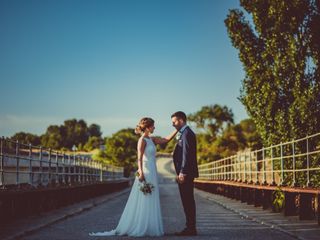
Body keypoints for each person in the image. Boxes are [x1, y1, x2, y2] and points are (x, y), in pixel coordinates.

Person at [89, 117, 177, 237]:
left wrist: (177, 129)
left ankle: (149, 226)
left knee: (151, 195)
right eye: (153, 126)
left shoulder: (152, 139)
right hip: (146, 171)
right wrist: (140, 172)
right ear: (147, 127)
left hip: (153, 171)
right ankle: (141, 225)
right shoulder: (142, 140)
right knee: (145, 196)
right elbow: (139, 157)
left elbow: (166, 140)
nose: (154, 128)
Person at [171, 111, 199, 236]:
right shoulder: (184, 133)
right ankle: (190, 227)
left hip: (186, 173)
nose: (173, 124)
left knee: (187, 200)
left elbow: (186, 155)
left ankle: (191, 228)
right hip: (185, 173)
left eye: (174, 122)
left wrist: (183, 172)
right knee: (187, 200)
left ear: (181, 120)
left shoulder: (187, 134)